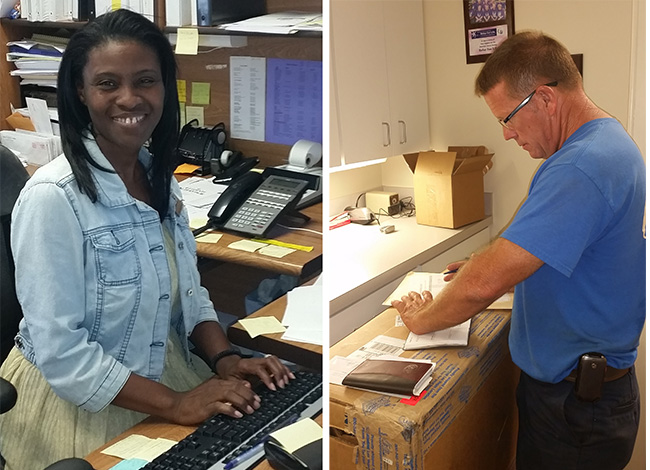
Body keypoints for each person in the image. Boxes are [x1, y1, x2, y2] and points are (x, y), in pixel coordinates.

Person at [0, 9, 293, 469]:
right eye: (108, 83)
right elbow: (63, 354)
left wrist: (225, 358)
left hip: (161, 375)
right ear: (81, 91)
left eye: (145, 81)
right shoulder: (53, 197)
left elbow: (188, 295)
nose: (129, 98)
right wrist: (177, 404)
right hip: (81, 402)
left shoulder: (158, 178)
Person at [392, 31, 644, 470]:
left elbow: (483, 286)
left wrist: (422, 318)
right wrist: (485, 262)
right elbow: (552, 248)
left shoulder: (580, 166)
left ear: (545, 98)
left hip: (575, 410)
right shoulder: (606, 141)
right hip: (584, 397)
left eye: (507, 118)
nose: (507, 135)